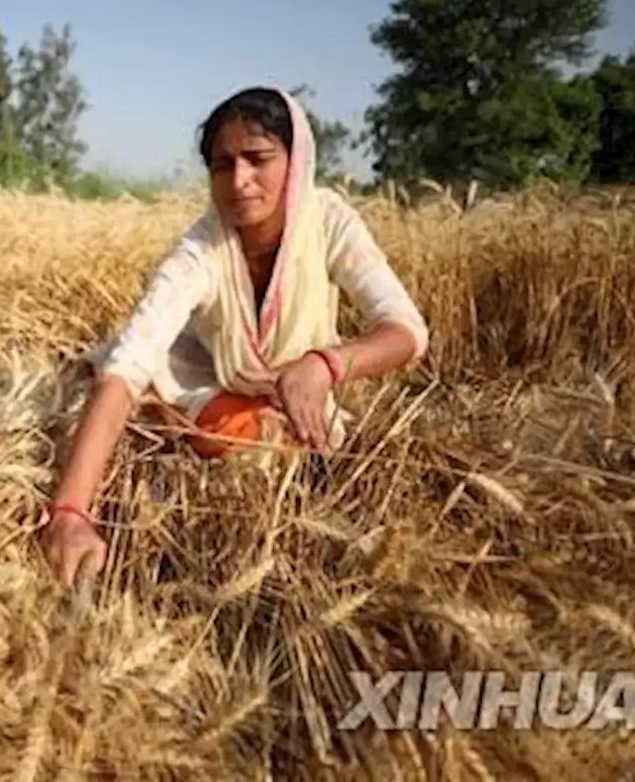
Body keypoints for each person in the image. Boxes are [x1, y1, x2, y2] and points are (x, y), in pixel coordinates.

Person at [40, 85, 431, 588]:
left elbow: (406, 331)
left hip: (304, 389)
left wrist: (325, 364)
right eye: (222, 165)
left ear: (297, 161)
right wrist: (70, 511)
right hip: (203, 374)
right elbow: (130, 366)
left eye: (258, 158)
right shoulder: (202, 249)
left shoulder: (329, 220)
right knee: (222, 427)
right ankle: (184, 420)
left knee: (314, 446)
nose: (239, 180)